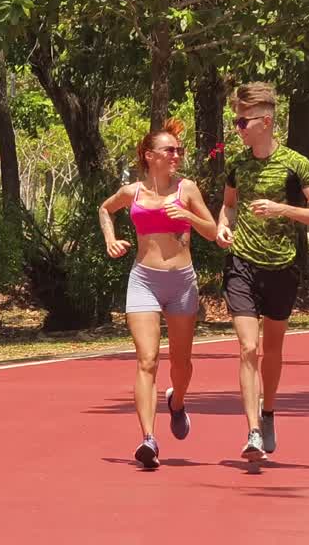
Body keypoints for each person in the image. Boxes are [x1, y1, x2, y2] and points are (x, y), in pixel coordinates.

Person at [217, 82, 309, 461]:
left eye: (242, 121)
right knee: (248, 347)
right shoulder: (238, 164)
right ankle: (251, 430)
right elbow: (229, 205)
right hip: (241, 265)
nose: (238, 128)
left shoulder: (296, 164)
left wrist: (283, 209)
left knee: (272, 350)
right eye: (235, 121)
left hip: (282, 267)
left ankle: (268, 414)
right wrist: (223, 225)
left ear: (265, 122)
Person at [99, 118, 217, 469]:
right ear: (150, 156)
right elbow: (105, 209)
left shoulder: (188, 189)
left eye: (179, 150)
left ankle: (177, 402)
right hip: (144, 281)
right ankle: (148, 438)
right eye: (170, 150)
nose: (177, 155)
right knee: (147, 360)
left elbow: (211, 231)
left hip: (181, 281)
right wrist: (110, 238)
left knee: (180, 363)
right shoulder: (131, 192)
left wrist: (186, 215)